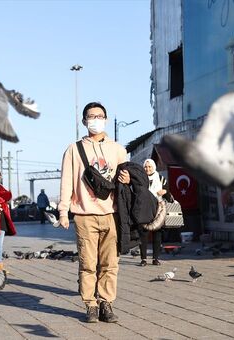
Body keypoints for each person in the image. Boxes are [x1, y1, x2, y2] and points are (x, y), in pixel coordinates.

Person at [59, 102, 130, 323]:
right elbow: (66, 181)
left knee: (110, 263)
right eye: (91, 116)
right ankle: (90, 304)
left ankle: (106, 303)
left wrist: (128, 180)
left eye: (99, 116)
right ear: (84, 121)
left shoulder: (118, 149)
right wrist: (63, 211)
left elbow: (127, 180)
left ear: (106, 119)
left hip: (112, 213)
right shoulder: (74, 149)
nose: (95, 120)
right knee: (88, 263)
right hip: (84, 214)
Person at [139, 159, 173, 266]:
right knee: (143, 235)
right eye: (146, 167)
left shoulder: (161, 179)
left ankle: (155, 259)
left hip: (158, 209)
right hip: (144, 209)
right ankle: (143, 259)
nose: (147, 169)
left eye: (150, 167)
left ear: (154, 167)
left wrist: (165, 191)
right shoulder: (140, 179)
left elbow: (169, 196)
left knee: (157, 235)